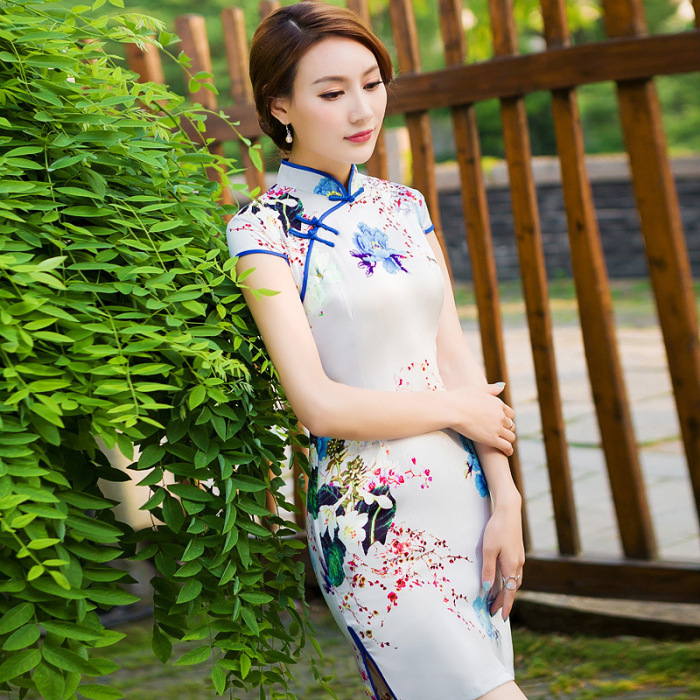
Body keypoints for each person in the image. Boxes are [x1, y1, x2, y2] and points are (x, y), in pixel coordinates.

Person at [226, 3, 526, 698]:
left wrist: (506, 498)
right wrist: (456, 409)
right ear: (280, 106)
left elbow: (457, 363)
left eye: (371, 83)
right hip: (372, 523)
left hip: (465, 502)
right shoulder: (260, 233)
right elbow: (319, 406)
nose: (362, 109)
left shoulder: (405, 206)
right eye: (332, 93)